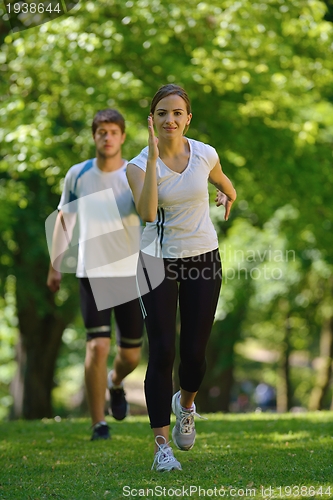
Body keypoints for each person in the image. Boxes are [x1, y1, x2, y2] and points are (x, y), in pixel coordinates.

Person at [127, 84, 237, 471]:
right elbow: (148, 213)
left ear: (187, 118)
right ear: (152, 120)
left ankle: (185, 405)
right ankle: (161, 449)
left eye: (177, 113)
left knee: (193, 354)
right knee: (162, 352)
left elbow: (226, 184)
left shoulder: (205, 154)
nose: (170, 119)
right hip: (156, 261)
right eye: (162, 113)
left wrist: (225, 196)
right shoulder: (138, 165)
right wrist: (156, 159)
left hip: (203, 257)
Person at [47, 109, 144, 440]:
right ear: (94, 137)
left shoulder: (134, 173)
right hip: (92, 272)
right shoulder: (78, 174)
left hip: (130, 273)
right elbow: (64, 220)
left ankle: (116, 383)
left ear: (122, 136)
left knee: (130, 354)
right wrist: (55, 263)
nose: (107, 137)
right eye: (101, 131)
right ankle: (97, 423)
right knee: (97, 346)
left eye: (113, 131)